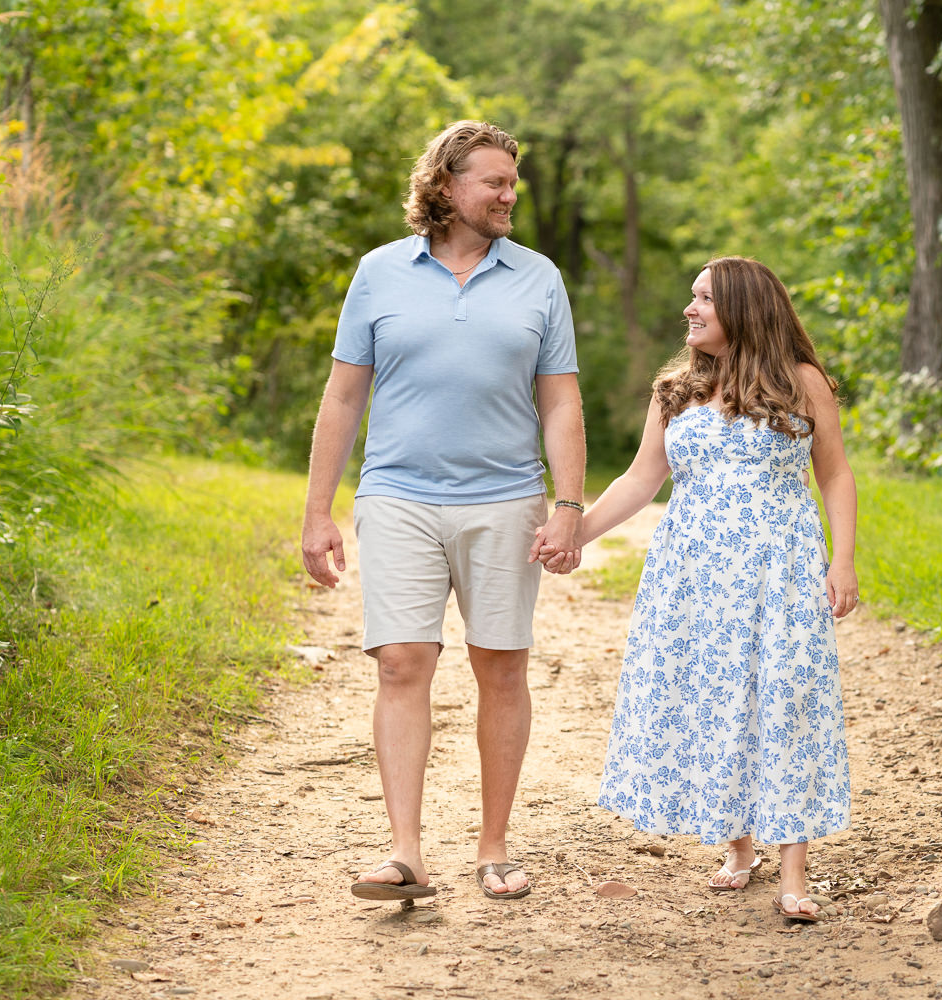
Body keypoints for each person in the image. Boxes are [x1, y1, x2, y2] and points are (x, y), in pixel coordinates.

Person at [301, 120, 585, 903]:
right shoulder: (379, 274)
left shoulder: (539, 279)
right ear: (446, 187)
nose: (509, 194)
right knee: (400, 662)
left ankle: (494, 847)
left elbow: (560, 400)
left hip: (505, 499)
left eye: (511, 182)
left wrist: (566, 505)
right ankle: (405, 854)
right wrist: (317, 510)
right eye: (494, 181)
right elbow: (344, 395)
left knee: (500, 666)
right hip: (397, 496)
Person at [534, 255, 857, 922]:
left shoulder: (803, 383)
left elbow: (835, 476)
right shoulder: (675, 391)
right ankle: (739, 843)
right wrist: (576, 533)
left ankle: (793, 870)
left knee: (784, 700)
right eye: (691, 297)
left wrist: (843, 561)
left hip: (780, 569)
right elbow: (639, 481)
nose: (690, 309)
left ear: (742, 308)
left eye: (704, 298)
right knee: (711, 699)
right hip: (692, 577)